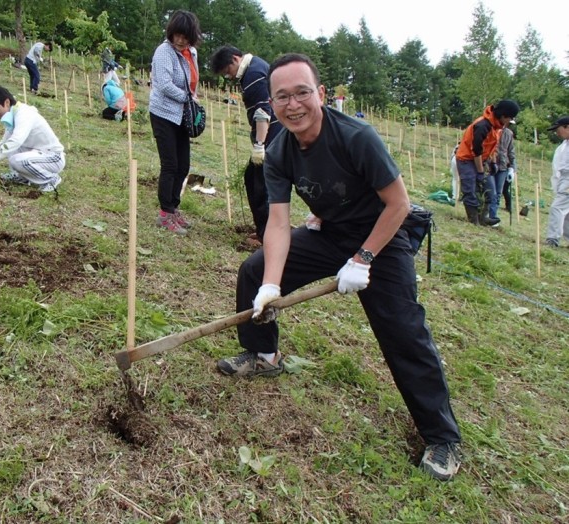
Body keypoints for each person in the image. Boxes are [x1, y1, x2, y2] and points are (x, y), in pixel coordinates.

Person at [216, 53, 462, 481]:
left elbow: (399, 204)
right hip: (329, 233)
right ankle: (264, 354)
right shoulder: (278, 150)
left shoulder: (356, 136)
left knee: (402, 330)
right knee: (254, 271)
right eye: (282, 97)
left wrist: (364, 258)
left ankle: (442, 437)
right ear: (271, 103)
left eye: (302, 93)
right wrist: (272, 285)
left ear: (321, 94)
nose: (293, 105)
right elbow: (277, 222)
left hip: (382, 236)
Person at [209, 46, 283, 245]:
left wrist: (259, 145)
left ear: (235, 59)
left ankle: (267, 236)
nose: (228, 76)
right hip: (275, 135)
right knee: (254, 179)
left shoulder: (253, 75)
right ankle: (264, 231)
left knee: (260, 184)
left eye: (227, 71)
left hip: (272, 138)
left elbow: (262, 112)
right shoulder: (256, 67)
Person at [148, 10, 202, 235]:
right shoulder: (163, 52)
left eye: (185, 36)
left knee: (184, 165)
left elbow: (193, 81)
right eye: (177, 35)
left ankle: (174, 208)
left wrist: (192, 100)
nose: (180, 40)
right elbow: (164, 85)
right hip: (163, 113)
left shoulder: (192, 53)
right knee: (170, 164)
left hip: (182, 115)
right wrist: (188, 98)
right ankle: (164, 214)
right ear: (171, 33)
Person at [0, 85, 65, 193]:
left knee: (15, 159)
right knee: (10, 147)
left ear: (7, 102)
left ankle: (51, 179)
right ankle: (23, 177)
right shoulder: (13, 118)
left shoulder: (24, 114)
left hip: (53, 158)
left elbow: (16, 141)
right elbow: (5, 142)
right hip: (38, 154)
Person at [455, 100, 519, 226]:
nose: (510, 121)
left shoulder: (498, 127)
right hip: (467, 159)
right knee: (471, 189)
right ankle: (474, 220)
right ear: (503, 115)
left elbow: (492, 147)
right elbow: (476, 150)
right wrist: (479, 172)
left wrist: (493, 163)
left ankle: (483, 217)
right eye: (510, 118)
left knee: (490, 191)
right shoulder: (482, 125)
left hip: (483, 160)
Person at [545, 116, 569, 247]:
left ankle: (553, 238)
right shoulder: (564, 145)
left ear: (567, 127)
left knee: (557, 208)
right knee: (566, 213)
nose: (557, 133)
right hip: (564, 179)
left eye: (558, 129)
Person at [493, 124, 517, 217]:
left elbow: (511, 151)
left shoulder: (509, 133)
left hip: (503, 166)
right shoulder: (492, 129)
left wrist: (512, 168)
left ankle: (493, 215)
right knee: (490, 190)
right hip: (491, 164)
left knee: (500, 191)